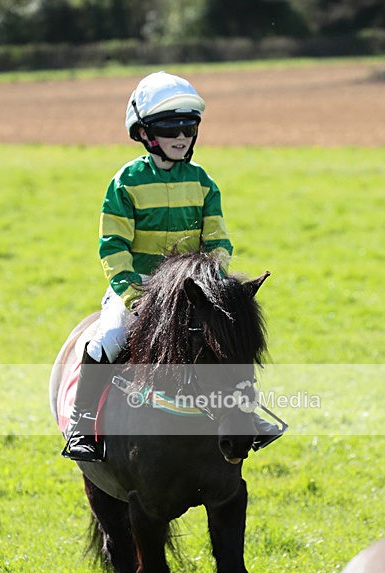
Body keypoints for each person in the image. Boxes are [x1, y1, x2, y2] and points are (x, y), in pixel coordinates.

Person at [63, 70, 282, 461]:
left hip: (193, 288)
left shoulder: (203, 182)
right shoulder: (125, 183)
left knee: (231, 338)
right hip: (139, 289)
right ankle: (83, 428)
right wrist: (132, 294)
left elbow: (217, 242)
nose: (181, 137)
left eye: (188, 128)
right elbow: (112, 246)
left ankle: (247, 415)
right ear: (146, 134)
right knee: (105, 343)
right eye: (170, 130)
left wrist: (212, 282)